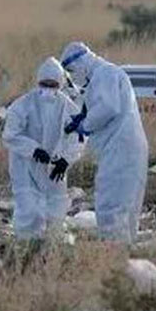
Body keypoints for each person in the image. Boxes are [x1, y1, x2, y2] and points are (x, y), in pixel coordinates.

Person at [60, 42, 148, 242]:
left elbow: (108, 108)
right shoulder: (103, 76)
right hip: (125, 147)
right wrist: (83, 116)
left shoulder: (104, 73)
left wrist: (85, 124)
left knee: (111, 203)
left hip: (120, 148)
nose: (73, 76)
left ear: (81, 61)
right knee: (126, 206)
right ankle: (124, 252)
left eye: (71, 70)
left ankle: (113, 252)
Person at [2, 57, 84, 240]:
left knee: (56, 208)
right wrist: (33, 149)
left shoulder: (68, 107)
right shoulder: (23, 105)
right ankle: (26, 245)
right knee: (28, 208)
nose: (48, 88)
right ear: (38, 82)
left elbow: (79, 136)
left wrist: (66, 159)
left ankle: (52, 247)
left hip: (54, 167)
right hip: (25, 166)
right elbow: (10, 135)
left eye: (53, 85)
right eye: (44, 84)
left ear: (60, 84)